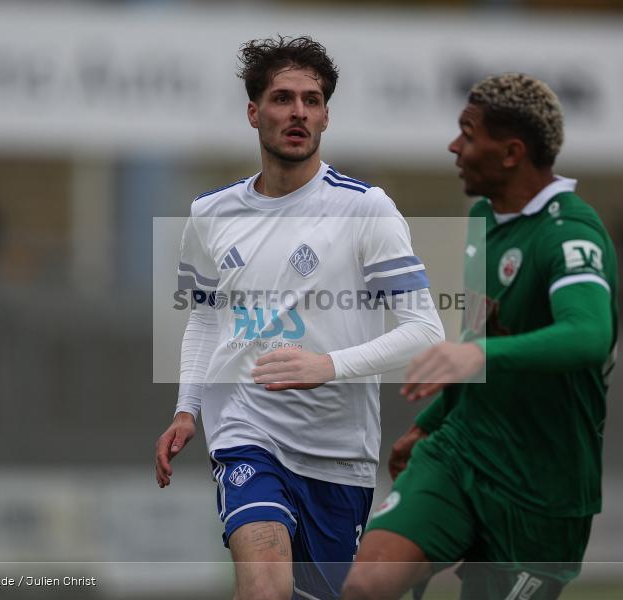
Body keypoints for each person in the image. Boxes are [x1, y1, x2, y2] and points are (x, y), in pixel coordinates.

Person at [154, 36, 444, 600]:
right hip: (246, 431)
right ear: (253, 112)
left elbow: (425, 333)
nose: (298, 112)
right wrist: (187, 409)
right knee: (264, 589)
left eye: (311, 100)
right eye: (283, 98)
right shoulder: (210, 214)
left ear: (327, 115)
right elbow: (206, 319)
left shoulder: (366, 208)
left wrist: (327, 365)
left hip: (340, 458)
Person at [342, 73, 619, 600]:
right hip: (461, 453)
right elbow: (480, 344)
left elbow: (589, 335)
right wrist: (432, 422)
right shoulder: (482, 221)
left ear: (511, 152)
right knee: (364, 585)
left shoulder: (570, 234)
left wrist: (473, 355)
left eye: (468, 134)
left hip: (543, 487)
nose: (455, 146)